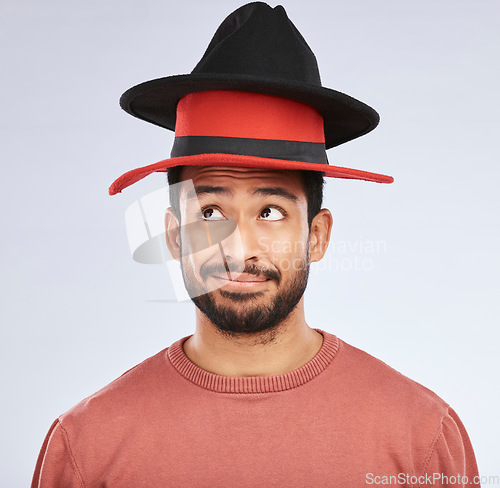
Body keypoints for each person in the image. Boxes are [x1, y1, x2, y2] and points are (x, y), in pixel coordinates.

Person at [32, 3, 480, 487]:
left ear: (317, 235)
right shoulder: (86, 446)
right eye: (210, 213)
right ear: (173, 235)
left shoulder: (421, 438)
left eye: (270, 211)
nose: (237, 247)